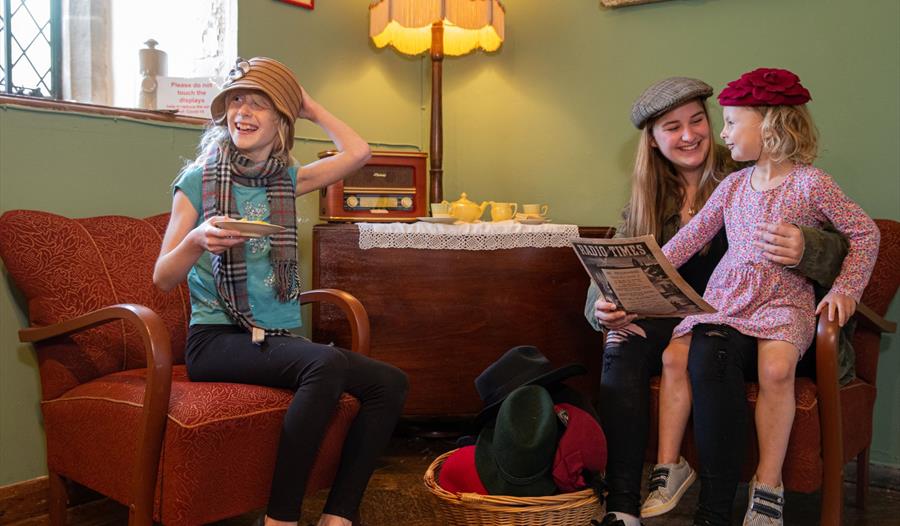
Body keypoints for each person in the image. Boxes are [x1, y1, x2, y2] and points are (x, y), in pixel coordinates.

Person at [153, 57, 408, 526]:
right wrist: (196, 239)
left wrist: (310, 107)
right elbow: (163, 277)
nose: (242, 112)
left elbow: (358, 153)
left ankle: (338, 515)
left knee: (389, 383)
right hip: (216, 340)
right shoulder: (198, 181)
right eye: (236, 101)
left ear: (282, 122)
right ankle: (282, 518)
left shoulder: (286, 181)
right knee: (325, 361)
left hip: (275, 336)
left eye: (259, 103)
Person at [584, 76, 849, 526]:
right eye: (672, 127)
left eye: (697, 121)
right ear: (652, 140)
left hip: (754, 317)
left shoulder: (751, 172)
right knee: (619, 342)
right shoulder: (647, 199)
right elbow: (621, 262)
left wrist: (806, 246)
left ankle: (726, 504)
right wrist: (605, 305)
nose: (689, 135)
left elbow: (846, 245)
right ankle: (623, 504)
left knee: (709, 346)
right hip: (685, 319)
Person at [649, 68, 879, 526]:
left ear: (771, 125)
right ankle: (680, 473)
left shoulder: (812, 183)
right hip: (728, 298)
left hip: (782, 301)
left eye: (733, 121)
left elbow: (865, 233)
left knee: (777, 369)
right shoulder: (733, 186)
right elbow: (689, 239)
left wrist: (846, 289)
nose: (724, 133)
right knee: (686, 354)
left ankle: (768, 483)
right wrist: (645, 272)